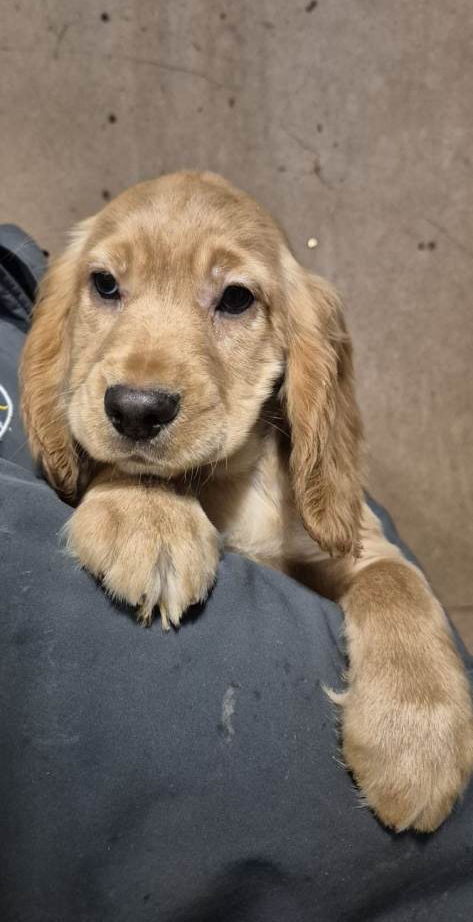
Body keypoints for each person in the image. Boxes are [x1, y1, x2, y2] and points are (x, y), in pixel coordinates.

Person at [1, 225, 471, 922]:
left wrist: (395, 611)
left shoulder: (285, 448)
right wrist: (128, 485)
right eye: (107, 286)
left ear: (297, 348)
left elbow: (354, 542)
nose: (142, 385)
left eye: (233, 300)